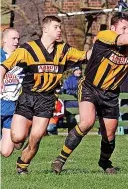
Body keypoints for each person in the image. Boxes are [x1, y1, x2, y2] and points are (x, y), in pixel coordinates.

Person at [51, 12, 128, 174]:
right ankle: (60, 159)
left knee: (109, 134)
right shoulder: (105, 36)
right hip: (90, 87)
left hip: (110, 93)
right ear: (113, 28)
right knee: (87, 122)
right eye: (123, 28)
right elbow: (122, 39)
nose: (126, 31)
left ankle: (104, 162)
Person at [0, 16, 90, 174]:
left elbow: (85, 55)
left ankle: (22, 166)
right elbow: (4, 66)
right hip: (27, 97)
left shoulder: (64, 49)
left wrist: (103, 45)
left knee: (35, 138)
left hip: (47, 99)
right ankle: (22, 135)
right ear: (45, 29)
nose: (59, 30)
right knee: (17, 138)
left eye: (59, 27)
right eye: (56, 27)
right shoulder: (27, 49)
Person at [0, 28, 22, 157]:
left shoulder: (21, 59)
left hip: (12, 106)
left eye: (18, 39)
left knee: (6, 152)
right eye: (13, 38)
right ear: (4, 39)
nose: (16, 41)